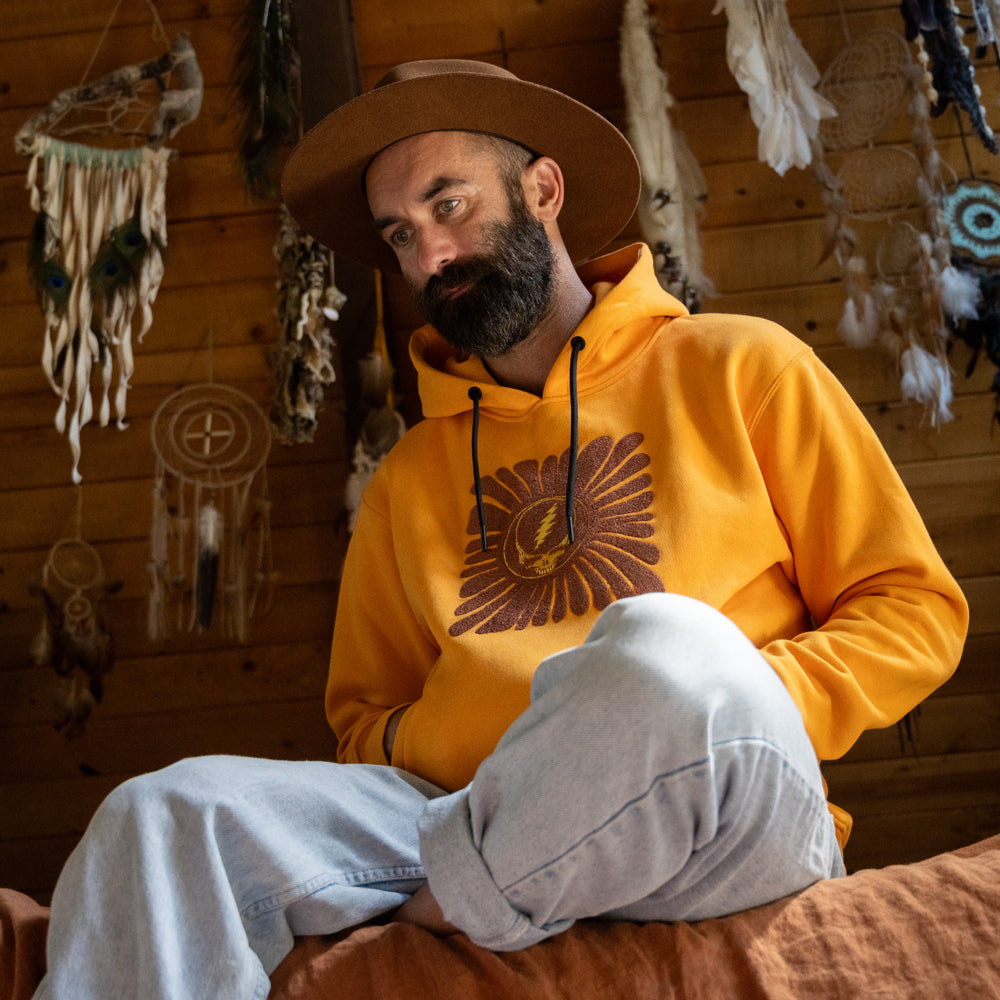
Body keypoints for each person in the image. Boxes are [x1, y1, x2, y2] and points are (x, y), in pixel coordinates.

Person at [33, 60, 968, 999]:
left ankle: (459, 898)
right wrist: (503, 766)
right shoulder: (406, 480)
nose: (429, 257)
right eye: (401, 234)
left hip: (715, 806)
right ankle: (491, 877)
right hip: (459, 812)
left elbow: (911, 609)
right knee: (160, 814)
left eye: (450, 206)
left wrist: (712, 707)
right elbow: (364, 720)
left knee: (664, 642)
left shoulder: (741, 366)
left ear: (543, 190)